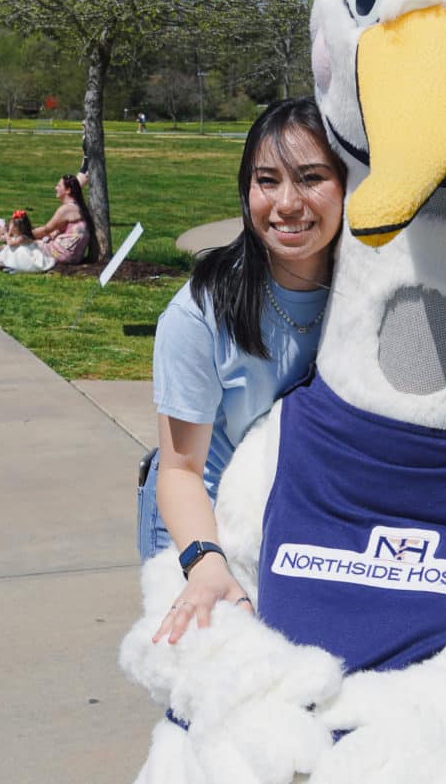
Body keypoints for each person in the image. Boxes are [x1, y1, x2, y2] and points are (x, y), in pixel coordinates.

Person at [143, 96, 346, 645]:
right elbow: (180, 469)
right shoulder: (199, 310)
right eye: (267, 181)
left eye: (311, 178)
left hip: (312, 519)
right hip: (205, 523)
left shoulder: (372, 295)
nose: (287, 203)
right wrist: (206, 564)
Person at [33, 172, 98, 265]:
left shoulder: (66, 210)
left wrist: (26, 233)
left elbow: (46, 230)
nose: (56, 188)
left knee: (29, 245)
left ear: (68, 190)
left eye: (59, 186)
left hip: (61, 255)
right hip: (76, 257)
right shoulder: (80, 207)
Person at [0, 209, 56, 273]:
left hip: (28, 256)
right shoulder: (18, 235)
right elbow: (9, 240)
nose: (10, 226)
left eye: (11, 225)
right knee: (10, 249)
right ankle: (6, 263)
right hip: (21, 254)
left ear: (17, 227)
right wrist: (7, 233)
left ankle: (10, 264)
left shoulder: (23, 237)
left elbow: (11, 243)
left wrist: (6, 233)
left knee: (13, 249)